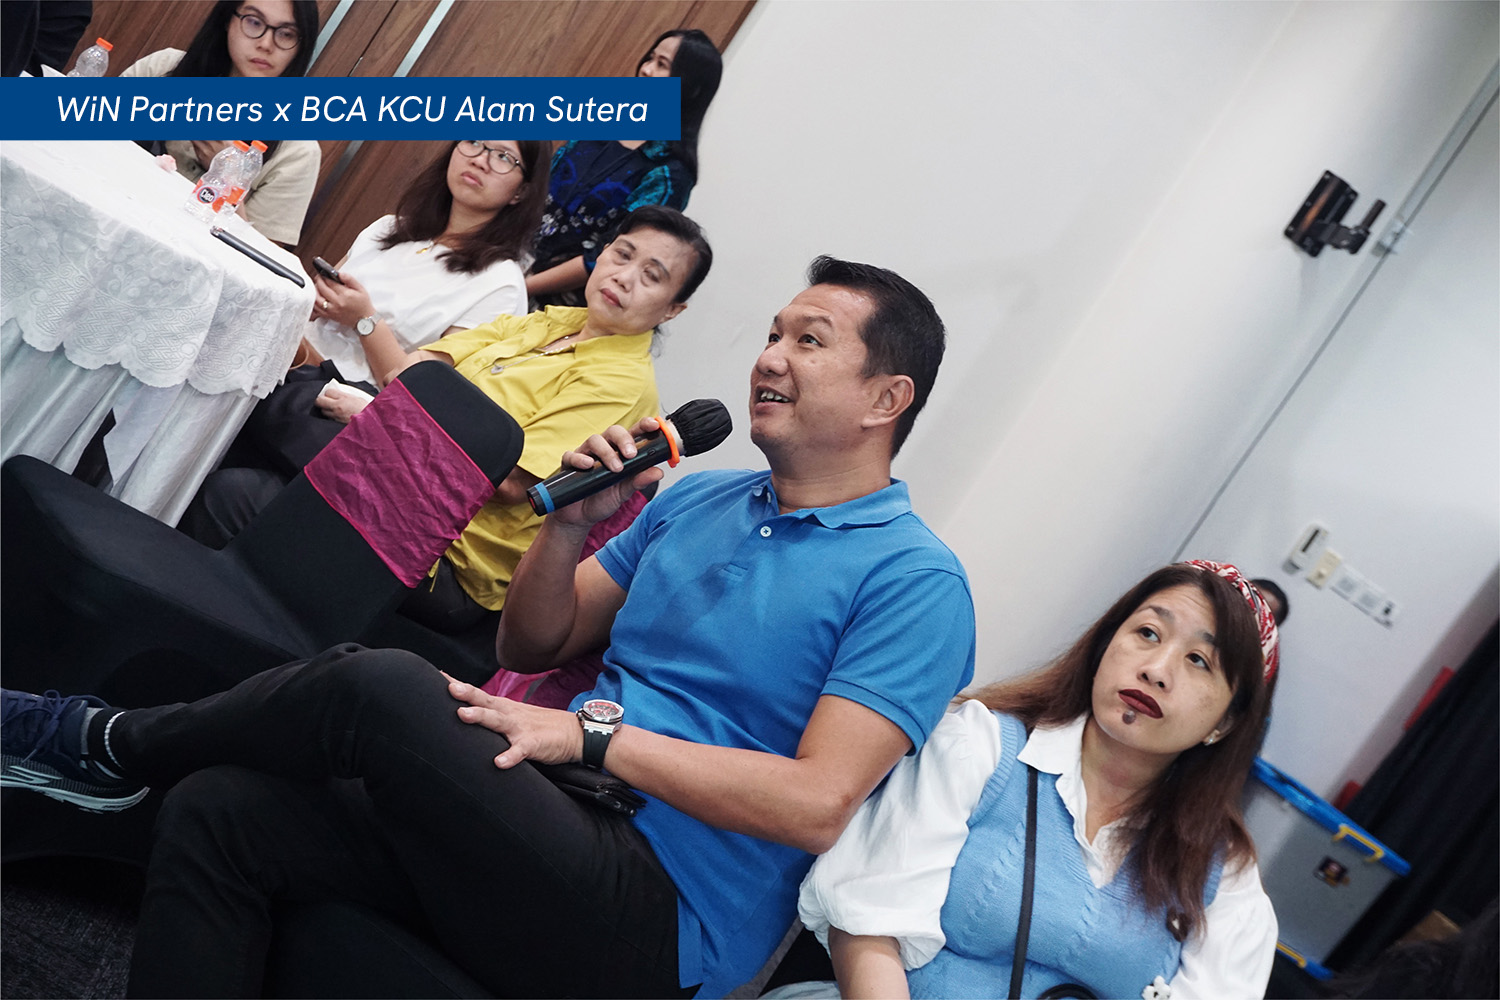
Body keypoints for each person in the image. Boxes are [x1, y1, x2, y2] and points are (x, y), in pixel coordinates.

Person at [0, 256, 975, 998]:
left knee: (382, 681)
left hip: (664, 913)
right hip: (548, 810)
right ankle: (112, 753)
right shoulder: (698, 500)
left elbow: (815, 803)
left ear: (887, 399)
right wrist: (568, 526)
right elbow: (529, 646)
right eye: (772, 333)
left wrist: (592, 736)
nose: (769, 357)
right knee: (223, 810)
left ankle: (101, 743)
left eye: (810, 342)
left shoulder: (914, 581)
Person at [190, 205, 710, 636]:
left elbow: (508, 482)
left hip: (447, 550)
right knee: (261, 407)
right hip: (398, 476)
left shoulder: (623, 383)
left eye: (651, 276)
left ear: (673, 309)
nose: (623, 276)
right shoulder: (555, 322)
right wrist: (394, 410)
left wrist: (379, 415)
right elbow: (412, 372)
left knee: (238, 484)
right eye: (622, 254)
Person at [786, 561, 1281, 1000]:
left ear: (1226, 723)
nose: (1156, 670)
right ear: (1104, 645)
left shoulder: (1226, 873)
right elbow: (865, 928)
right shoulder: (979, 745)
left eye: (1199, 661)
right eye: (1148, 633)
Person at [192, 137, 548, 508]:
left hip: (339, 410)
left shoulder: (500, 283)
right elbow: (320, 304)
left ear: (521, 192)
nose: (481, 160)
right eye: (474, 142)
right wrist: (321, 301)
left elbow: (425, 396)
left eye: (504, 157)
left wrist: (364, 320)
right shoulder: (390, 227)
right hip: (286, 363)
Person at [526, 28, 722, 307]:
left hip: (558, 301)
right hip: (509, 258)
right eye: (650, 58)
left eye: (662, 65)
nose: (646, 69)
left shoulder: (669, 173)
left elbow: (611, 254)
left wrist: (523, 286)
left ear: (690, 87)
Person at [120, 0, 323, 246]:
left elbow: (257, 259)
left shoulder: (298, 151)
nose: (266, 44)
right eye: (254, 22)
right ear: (228, 19)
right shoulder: (164, 68)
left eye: (286, 34)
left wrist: (228, 180)